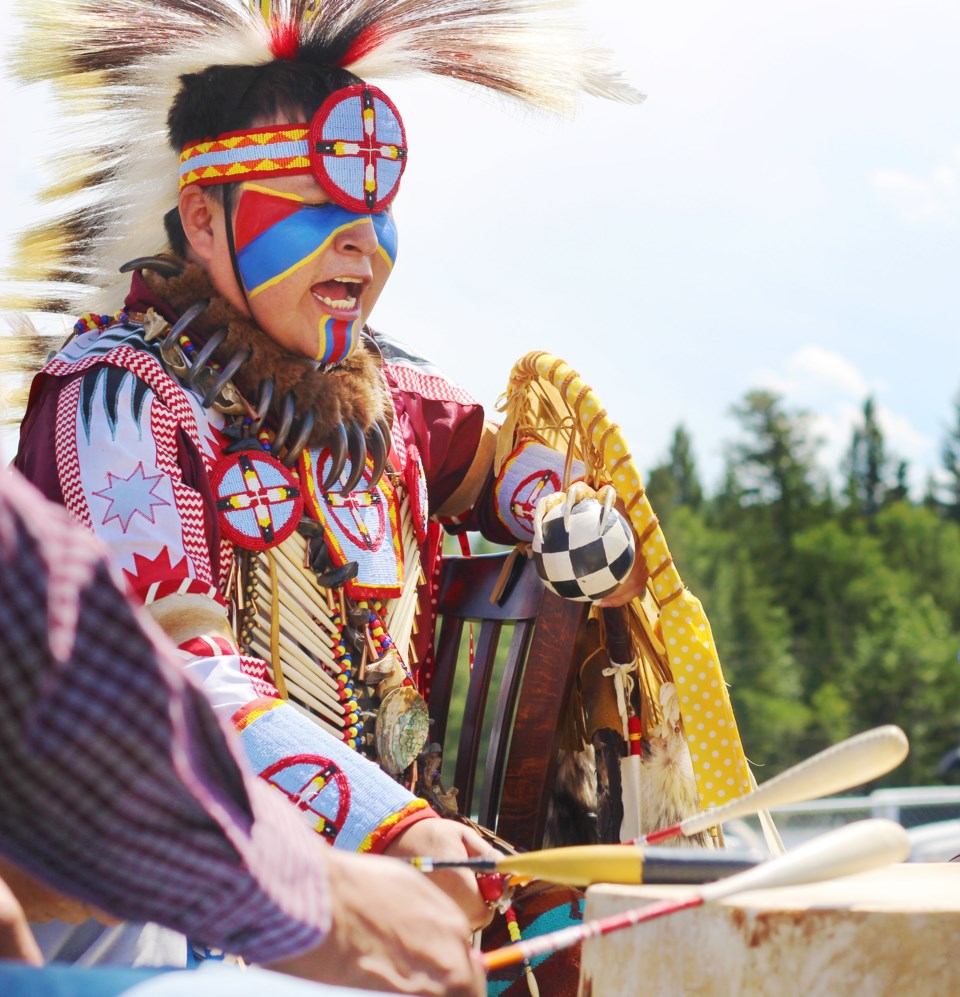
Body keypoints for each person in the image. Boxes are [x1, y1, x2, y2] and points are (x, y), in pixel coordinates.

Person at [7, 1, 644, 989]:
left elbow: (494, 464)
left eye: (374, 215)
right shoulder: (118, 398)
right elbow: (187, 692)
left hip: (386, 883)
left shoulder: (380, 393)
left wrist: (555, 513)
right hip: (160, 913)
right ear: (206, 221)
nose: (363, 247)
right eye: (314, 208)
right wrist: (396, 826)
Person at [0, 466, 484, 996]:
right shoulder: (128, 397)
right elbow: (165, 671)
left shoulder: (384, 411)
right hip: (279, 846)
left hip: (294, 843)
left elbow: (493, 470)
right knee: (133, 920)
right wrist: (364, 846)